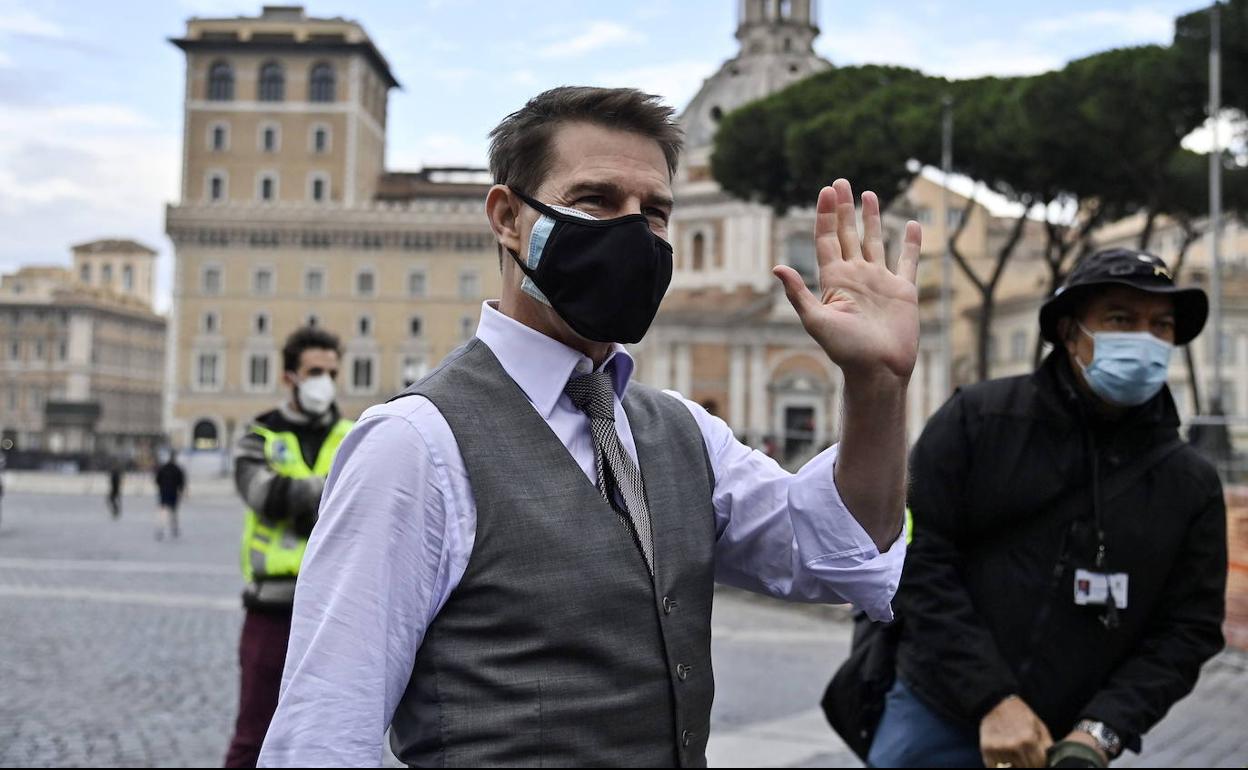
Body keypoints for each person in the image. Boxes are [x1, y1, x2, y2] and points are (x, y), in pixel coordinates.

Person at [259, 86, 923, 767]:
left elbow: (842, 555)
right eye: (595, 201)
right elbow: (322, 734)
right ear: (508, 218)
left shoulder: (685, 435)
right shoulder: (414, 446)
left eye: (655, 212)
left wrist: (877, 388)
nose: (632, 232)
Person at [869, 248, 1227, 768]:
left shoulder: (1190, 483)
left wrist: (1102, 729)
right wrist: (992, 698)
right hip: (937, 713)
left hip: (1069, 746)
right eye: (1122, 319)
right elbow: (915, 559)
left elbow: (1188, 628)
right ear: (1068, 329)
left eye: (1162, 325)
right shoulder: (978, 421)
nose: (1146, 340)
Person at [224, 326, 354, 768]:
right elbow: (265, 496)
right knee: (253, 737)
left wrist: (300, 495)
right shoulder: (257, 435)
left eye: (331, 372)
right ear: (289, 377)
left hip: (334, 615)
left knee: (331, 740)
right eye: (314, 371)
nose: (325, 381)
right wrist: (334, 493)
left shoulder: (356, 433)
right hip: (271, 608)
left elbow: (365, 506)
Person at [153, 451, 186, 540]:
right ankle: (174, 529)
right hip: (173, 494)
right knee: (173, 512)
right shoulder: (177, 469)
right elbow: (182, 482)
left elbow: (157, 480)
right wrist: (181, 491)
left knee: (163, 512)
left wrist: (161, 488)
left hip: (164, 493)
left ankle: (161, 529)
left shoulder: (163, 468)